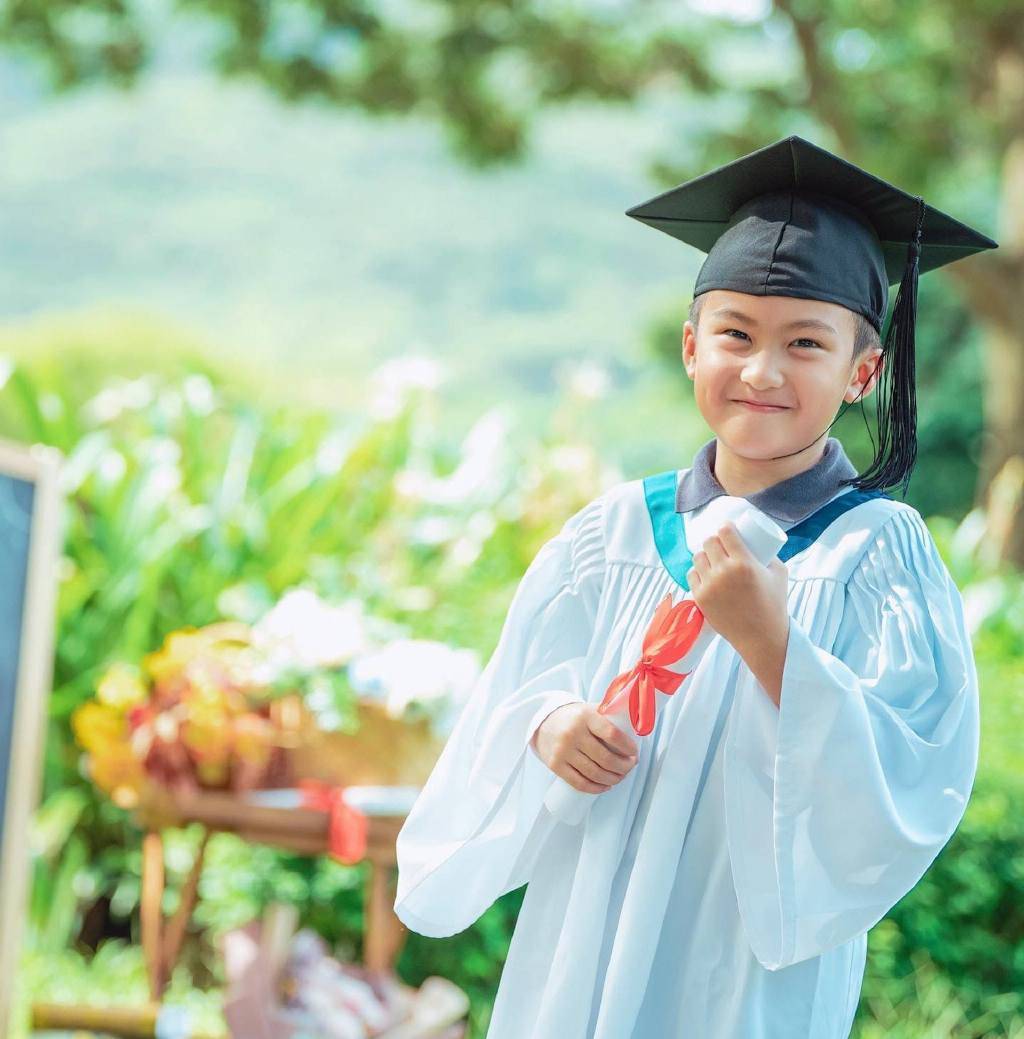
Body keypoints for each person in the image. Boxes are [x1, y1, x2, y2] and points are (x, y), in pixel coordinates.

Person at [393, 135, 996, 1038]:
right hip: (581, 934)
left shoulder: (877, 556)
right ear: (690, 345)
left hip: (741, 969)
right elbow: (513, 695)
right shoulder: (611, 535)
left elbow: (914, 775)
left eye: (805, 342)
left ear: (862, 372)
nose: (762, 370)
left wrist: (771, 643)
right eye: (736, 334)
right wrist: (549, 725)